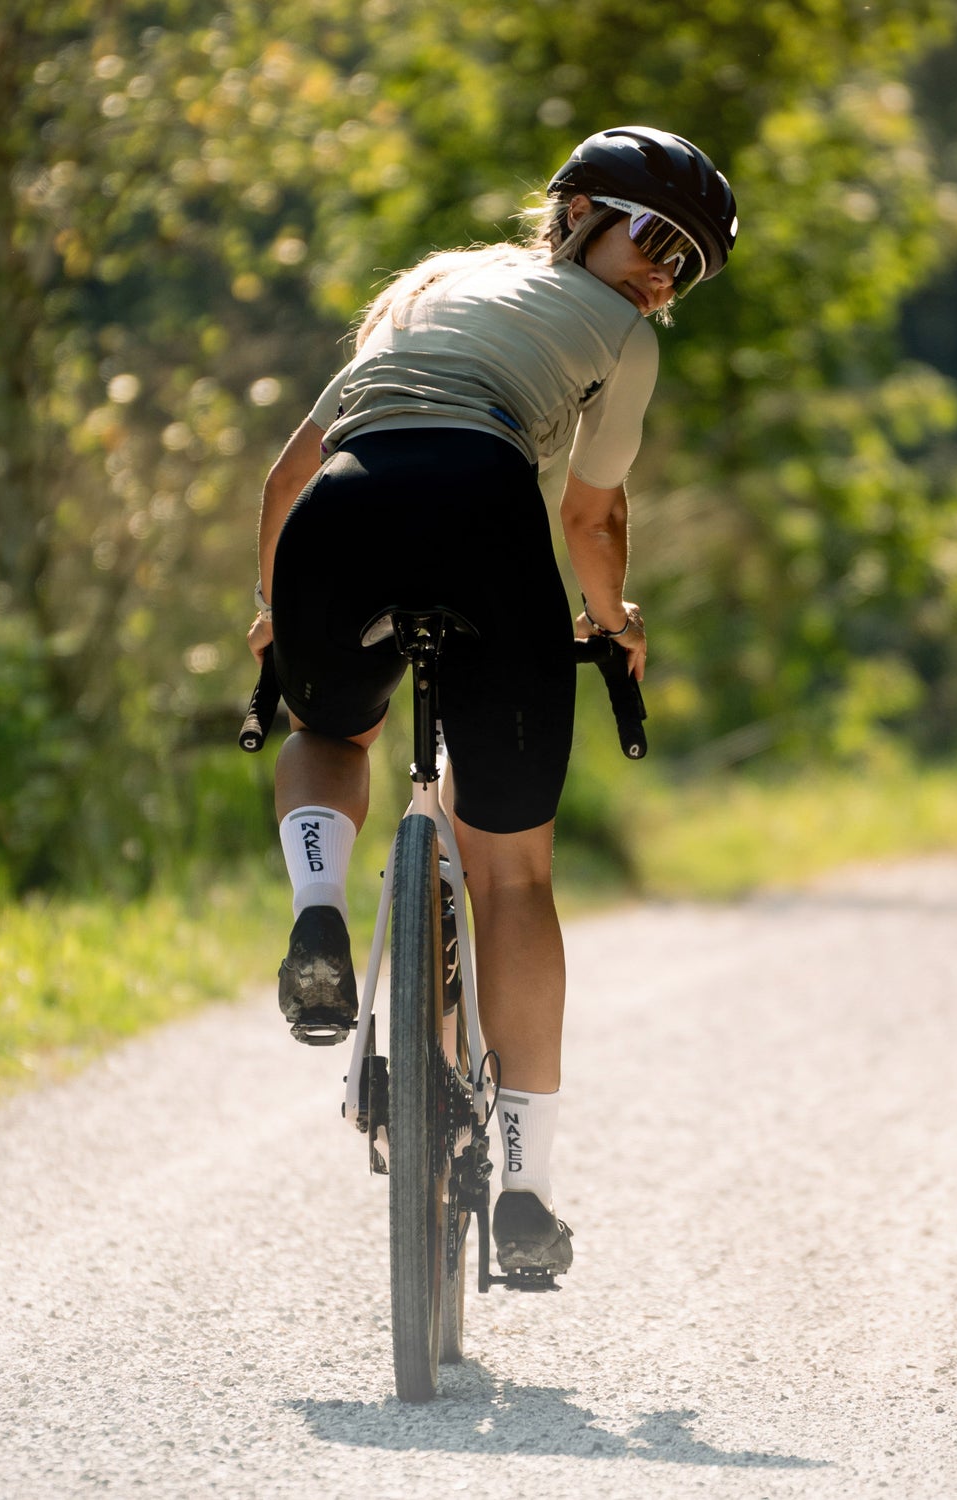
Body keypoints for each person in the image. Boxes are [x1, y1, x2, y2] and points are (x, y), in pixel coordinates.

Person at [247, 125, 738, 1275]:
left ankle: (317, 908)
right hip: (485, 515)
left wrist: (271, 613)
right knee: (514, 872)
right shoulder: (618, 336)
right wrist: (613, 626)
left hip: (341, 517)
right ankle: (525, 1187)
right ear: (572, 215)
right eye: (655, 238)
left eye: (687, 267)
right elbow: (591, 517)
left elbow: (287, 476)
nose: (665, 273)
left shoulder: (425, 296)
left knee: (329, 726)